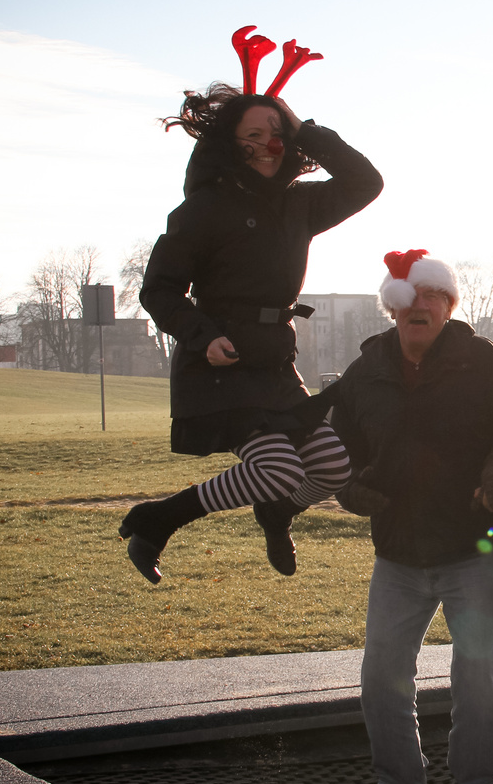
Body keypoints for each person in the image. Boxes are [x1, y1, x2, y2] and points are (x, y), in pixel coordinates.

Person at [120, 33, 382, 584]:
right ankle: (158, 520)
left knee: (333, 466)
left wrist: (303, 127)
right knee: (277, 468)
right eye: (253, 135)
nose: (268, 145)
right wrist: (200, 336)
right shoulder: (202, 210)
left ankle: (278, 511)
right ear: (229, 145)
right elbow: (159, 290)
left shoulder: (300, 205)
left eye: (277, 134)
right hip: (220, 364)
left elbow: (367, 181)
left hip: (275, 362)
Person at [331, 249, 493, 784]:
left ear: (449, 306)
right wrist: (348, 485)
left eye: (435, 297)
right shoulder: (365, 371)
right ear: (393, 307)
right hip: (397, 553)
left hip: (475, 549)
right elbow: (337, 446)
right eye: (412, 298)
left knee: (478, 678)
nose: (422, 306)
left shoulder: (484, 360)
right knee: (382, 676)